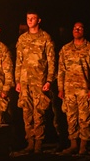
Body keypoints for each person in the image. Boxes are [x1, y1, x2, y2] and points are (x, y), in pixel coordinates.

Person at [14, 12, 57, 153]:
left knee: (39, 112)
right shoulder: (22, 39)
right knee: (26, 112)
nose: (30, 21)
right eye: (28, 18)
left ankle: (39, 142)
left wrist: (50, 79)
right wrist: (17, 81)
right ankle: (30, 141)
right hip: (25, 80)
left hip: (39, 80)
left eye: (32, 18)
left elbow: (51, 61)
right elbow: (18, 61)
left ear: (39, 20)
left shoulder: (45, 38)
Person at [57, 22, 90, 155]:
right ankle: (73, 144)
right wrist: (61, 88)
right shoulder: (65, 49)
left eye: (80, 28)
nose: (77, 30)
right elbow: (61, 70)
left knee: (85, 118)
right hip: (69, 90)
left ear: (84, 31)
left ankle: (83, 146)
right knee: (71, 118)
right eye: (75, 28)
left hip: (84, 89)